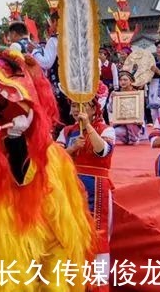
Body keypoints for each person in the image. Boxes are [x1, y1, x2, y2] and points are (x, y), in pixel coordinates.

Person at [56, 99, 116, 270]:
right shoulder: (67, 132)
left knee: (98, 234)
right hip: (70, 184)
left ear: (94, 109)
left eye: (82, 106)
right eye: (74, 106)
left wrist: (88, 126)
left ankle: (98, 283)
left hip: (96, 187)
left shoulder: (106, 129)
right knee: (70, 231)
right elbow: (54, 158)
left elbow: (102, 151)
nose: (76, 110)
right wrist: (72, 149)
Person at [110, 72, 145, 144]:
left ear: (131, 81)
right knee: (115, 132)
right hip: (121, 122)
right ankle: (126, 139)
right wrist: (112, 100)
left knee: (130, 121)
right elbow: (110, 110)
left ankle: (134, 138)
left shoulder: (137, 94)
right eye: (121, 80)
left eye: (125, 80)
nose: (122, 82)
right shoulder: (115, 93)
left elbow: (141, 110)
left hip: (135, 123)